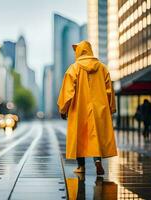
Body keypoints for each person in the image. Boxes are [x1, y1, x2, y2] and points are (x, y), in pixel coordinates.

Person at [57, 41, 117, 175]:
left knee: (80, 137)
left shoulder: (74, 68)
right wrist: (111, 108)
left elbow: (67, 92)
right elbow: (109, 90)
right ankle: (97, 161)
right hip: (99, 109)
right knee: (96, 135)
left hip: (79, 109)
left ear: (79, 52)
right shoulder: (103, 68)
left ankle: (81, 166)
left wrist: (63, 109)